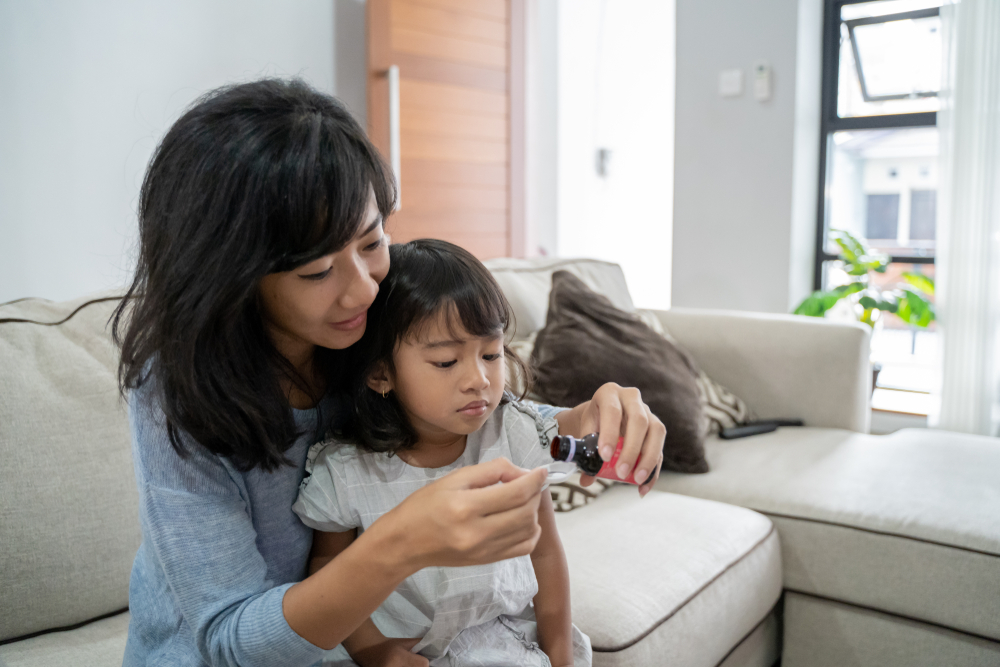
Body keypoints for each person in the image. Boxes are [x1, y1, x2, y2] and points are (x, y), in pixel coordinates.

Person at [113, 78, 666, 667]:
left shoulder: (366, 320)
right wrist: (402, 542)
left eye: (372, 242)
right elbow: (229, 642)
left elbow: (477, 410)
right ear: (233, 278)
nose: (362, 287)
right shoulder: (176, 392)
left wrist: (587, 421)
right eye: (317, 271)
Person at [293, 239, 598, 667]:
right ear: (381, 373)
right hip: (403, 651)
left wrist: (560, 656)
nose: (479, 379)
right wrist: (371, 649)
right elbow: (328, 567)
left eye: (491, 354)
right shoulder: (345, 469)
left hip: (504, 642)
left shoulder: (510, 436)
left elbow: (545, 553)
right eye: (445, 361)